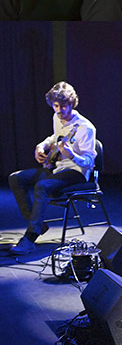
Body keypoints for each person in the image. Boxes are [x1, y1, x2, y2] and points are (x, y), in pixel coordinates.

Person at [7, 81, 96, 257]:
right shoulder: (57, 117)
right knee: (15, 178)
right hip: (57, 168)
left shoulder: (86, 128)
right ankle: (39, 225)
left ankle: (30, 237)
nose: (59, 110)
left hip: (76, 172)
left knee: (42, 186)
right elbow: (55, 137)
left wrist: (71, 155)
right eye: (56, 106)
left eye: (63, 106)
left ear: (72, 103)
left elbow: (89, 162)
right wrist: (41, 146)